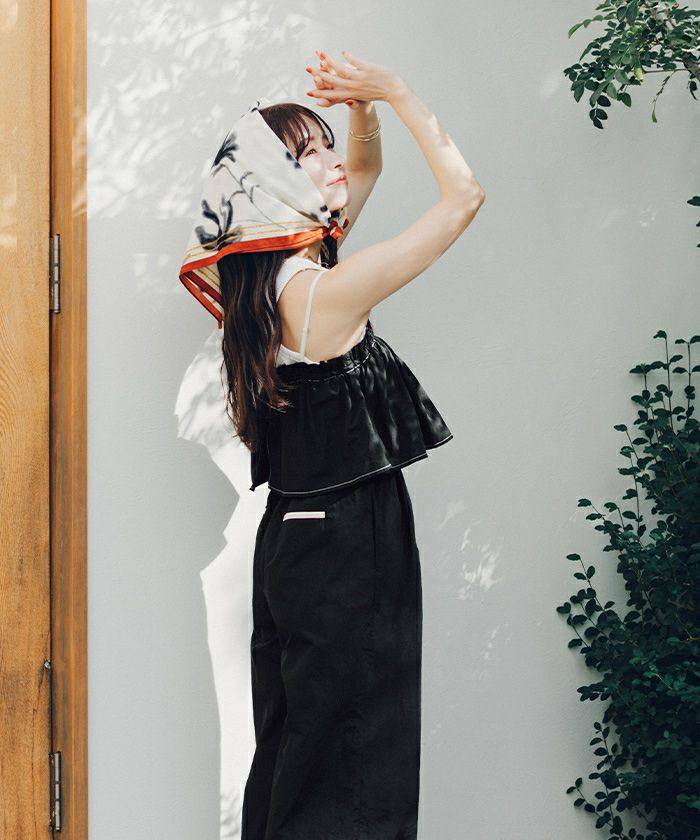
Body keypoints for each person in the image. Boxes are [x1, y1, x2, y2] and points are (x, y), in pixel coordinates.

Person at [179, 49, 484, 840]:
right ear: (274, 186)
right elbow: (464, 198)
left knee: (304, 750)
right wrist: (401, 91)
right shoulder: (325, 294)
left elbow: (365, 166)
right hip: (345, 540)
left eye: (324, 144)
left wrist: (362, 108)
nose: (331, 161)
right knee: (357, 759)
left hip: (300, 539)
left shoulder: (274, 278)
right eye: (306, 155)